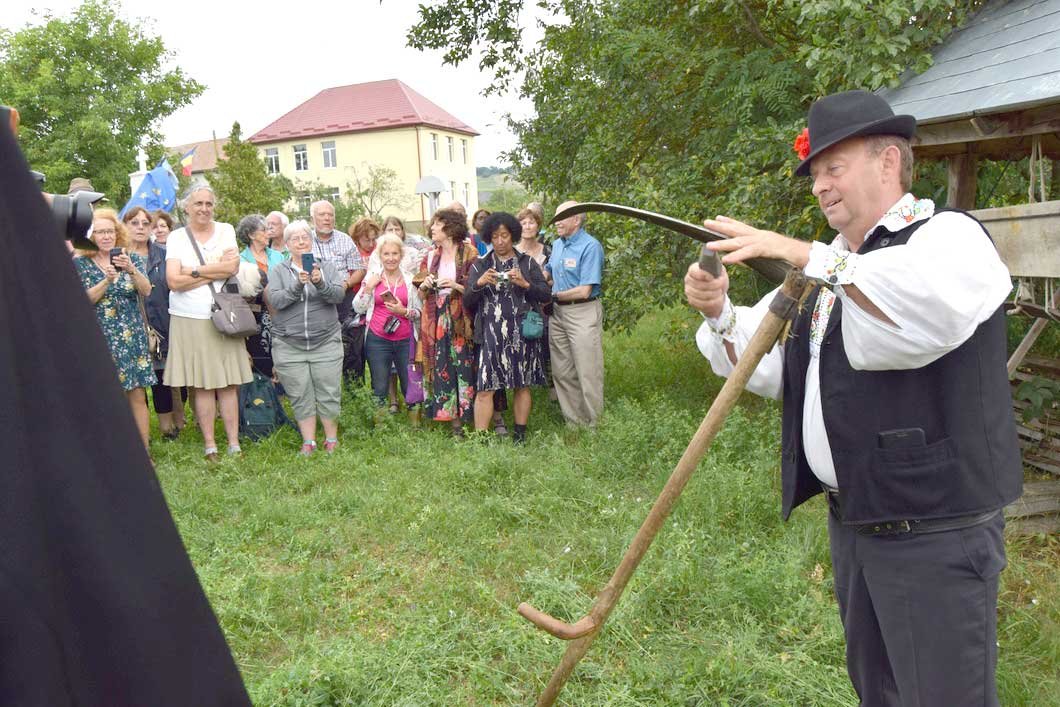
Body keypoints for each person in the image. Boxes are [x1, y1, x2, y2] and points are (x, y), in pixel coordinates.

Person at [683, 90, 1022, 707]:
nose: (820, 187)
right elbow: (771, 369)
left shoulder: (948, 239)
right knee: (879, 691)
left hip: (936, 530)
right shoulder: (832, 263)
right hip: (859, 523)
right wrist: (719, 313)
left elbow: (921, 319)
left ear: (888, 160)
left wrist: (807, 256)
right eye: (815, 174)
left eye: (832, 168)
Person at [163, 184, 252, 462]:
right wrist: (211, 272)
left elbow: (232, 268)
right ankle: (210, 445)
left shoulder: (225, 230)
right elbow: (173, 282)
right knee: (201, 385)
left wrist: (194, 271)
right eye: (198, 203)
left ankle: (234, 443)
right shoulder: (177, 237)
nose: (204, 209)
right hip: (188, 317)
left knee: (228, 384)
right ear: (187, 207)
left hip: (224, 315)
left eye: (208, 204)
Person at [74, 208, 156, 452]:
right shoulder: (82, 264)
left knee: (137, 395)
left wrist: (131, 270)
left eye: (110, 231)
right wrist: (107, 280)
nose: (106, 236)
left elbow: (147, 290)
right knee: (104, 397)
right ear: (91, 236)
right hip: (101, 338)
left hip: (132, 336)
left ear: (118, 233)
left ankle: (143, 452)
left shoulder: (131, 258)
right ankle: (111, 452)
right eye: (100, 232)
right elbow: (84, 300)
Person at [464, 213, 550, 443]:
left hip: (521, 333)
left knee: (522, 384)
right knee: (485, 388)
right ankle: (480, 440)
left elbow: (545, 294)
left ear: (512, 235)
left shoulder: (527, 262)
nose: (500, 241)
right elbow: (467, 302)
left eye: (504, 235)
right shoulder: (481, 264)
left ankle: (519, 435)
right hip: (491, 334)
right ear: (488, 238)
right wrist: (479, 284)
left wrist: (525, 284)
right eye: (495, 236)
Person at [266, 220, 347, 455]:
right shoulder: (279, 270)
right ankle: (308, 441)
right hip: (289, 344)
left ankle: (331, 439)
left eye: (305, 238)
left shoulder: (327, 267)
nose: (301, 242)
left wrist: (319, 281)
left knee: (329, 390)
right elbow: (278, 301)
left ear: (311, 242)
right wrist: (296, 285)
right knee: (300, 392)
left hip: (325, 341)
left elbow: (338, 296)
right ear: (287, 244)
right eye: (295, 239)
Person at [126, 206, 186, 440]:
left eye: (144, 223)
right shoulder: (116, 255)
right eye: (134, 223)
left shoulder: (164, 254)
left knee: (161, 378)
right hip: (129, 325)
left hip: (162, 323)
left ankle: (167, 427)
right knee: (135, 382)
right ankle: (141, 431)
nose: (140, 227)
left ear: (151, 227)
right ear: (126, 225)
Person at [417, 208, 479, 436]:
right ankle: (454, 424)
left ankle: (470, 417)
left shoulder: (469, 253)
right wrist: (425, 286)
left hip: (461, 317)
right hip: (436, 319)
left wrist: (454, 285)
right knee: (442, 367)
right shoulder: (431, 256)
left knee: (464, 365)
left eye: (437, 223)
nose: (432, 228)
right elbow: (421, 292)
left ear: (450, 227)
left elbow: (476, 288)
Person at [545, 201, 605, 427]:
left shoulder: (590, 246)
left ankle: (595, 424)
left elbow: (585, 290)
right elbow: (549, 272)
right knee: (562, 371)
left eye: (562, 217)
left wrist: (552, 295)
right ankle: (575, 422)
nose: (557, 222)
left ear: (577, 220)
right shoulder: (558, 245)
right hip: (558, 313)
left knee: (588, 370)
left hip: (582, 311)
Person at [353, 233, 422, 412]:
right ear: (379, 256)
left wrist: (404, 311)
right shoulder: (372, 279)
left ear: (401, 255)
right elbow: (358, 307)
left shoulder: (410, 280)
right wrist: (368, 288)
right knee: (379, 385)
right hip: (377, 340)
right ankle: (381, 428)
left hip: (406, 339)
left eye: (394, 254)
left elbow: (419, 313)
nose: (391, 258)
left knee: (410, 383)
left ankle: (416, 428)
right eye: (386, 254)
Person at [309, 200, 362, 384]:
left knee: (348, 343)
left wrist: (346, 284)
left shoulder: (344, 239)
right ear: (312, 218)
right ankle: (323, 385)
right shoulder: (304, 240)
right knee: (320, 345)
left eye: (330, 215)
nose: (327, 218)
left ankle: (352, 387)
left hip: (343, 296)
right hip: (315, 300)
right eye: (322, 214)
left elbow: (359, 270)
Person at [237, 214, 285, 377]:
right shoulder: (241, 260)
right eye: (264, 230)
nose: (268, 233)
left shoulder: (278, 256)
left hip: (280, 314)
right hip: (253, 318)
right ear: (251, 235)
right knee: (260, 364)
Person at [341, 217, 382, 384]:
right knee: (354, 350)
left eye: (374, 239)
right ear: (357, 238)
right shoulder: (353, 252)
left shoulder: (378, 252)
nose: (371, 243)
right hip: (355, 302)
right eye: (367, 240)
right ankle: (355, 387)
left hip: (375, 303)